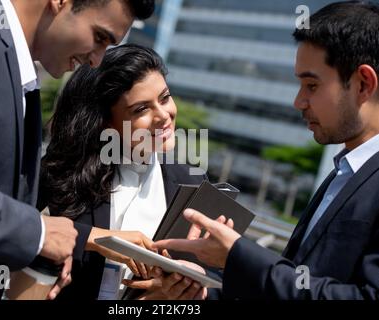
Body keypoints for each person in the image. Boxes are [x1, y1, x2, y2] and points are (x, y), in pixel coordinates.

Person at [0, 0, 154, 300]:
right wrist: (36, 234)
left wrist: (36, 257)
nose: (97, 61)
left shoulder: (21, 79)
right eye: (100, 37)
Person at [154, 1, 379, 300]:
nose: (299, 102)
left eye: (311, 85)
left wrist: (237, 256)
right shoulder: (345, 173)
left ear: (363, 84)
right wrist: (200, 296)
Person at [38, 44, 208, 300]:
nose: (163, 115)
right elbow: (13, 225)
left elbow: (213, 276)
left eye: (164, 98)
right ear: (106, 121)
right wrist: (98, 239)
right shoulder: (62, 172)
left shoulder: (193, 182)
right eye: (141, 109)